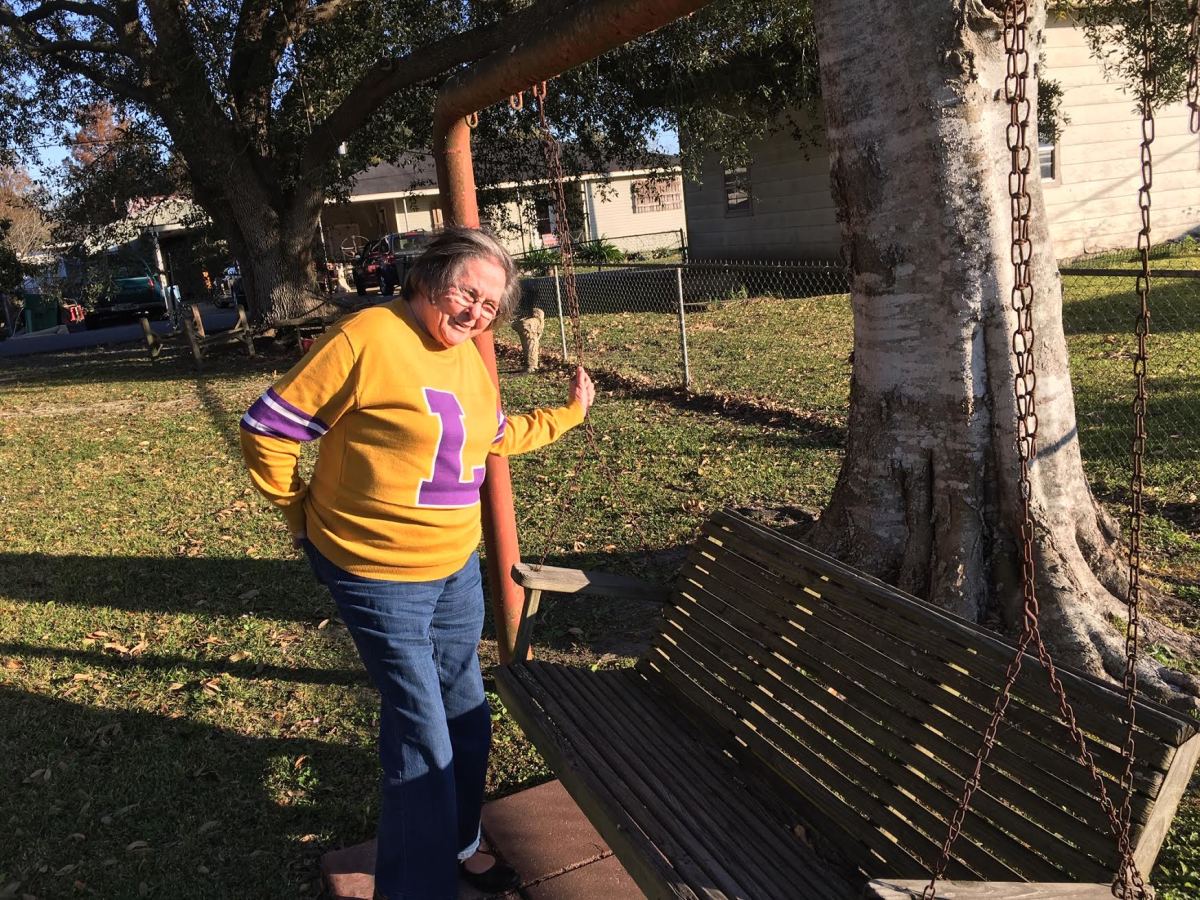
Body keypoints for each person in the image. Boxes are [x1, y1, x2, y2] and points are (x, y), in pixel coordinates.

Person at [240, 227, 595, 899]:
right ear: (429, 278)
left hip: (455, 569)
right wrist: (299, 515)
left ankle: (460, 840)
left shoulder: (466, 356)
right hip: (377, 576)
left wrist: (570, 414)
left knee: (467, 712)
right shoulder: (369, 337)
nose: (475, 312)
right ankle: (416, 887)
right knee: (421, 735)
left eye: (490, 305)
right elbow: (268, 429)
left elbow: (491, 437)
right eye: (466, 292)